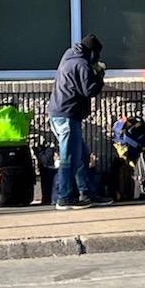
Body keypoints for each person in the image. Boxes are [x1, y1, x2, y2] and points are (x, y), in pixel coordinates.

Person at [48, 34, 114, 210]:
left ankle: (88, 193)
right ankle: (65, 197)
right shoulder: (82, 63)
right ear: (92, 52)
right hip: (67, 116)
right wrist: (99, 75)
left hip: (60, 114)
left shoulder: (69, 57)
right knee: (69, 158)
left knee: (82, 157)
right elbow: (89, 90)